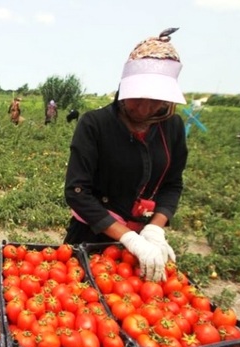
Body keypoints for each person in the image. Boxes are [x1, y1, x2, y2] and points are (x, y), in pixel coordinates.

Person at [63, 28, 188, 282]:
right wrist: (128, 237)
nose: (144, 109)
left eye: (156, 101)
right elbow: (77, 191)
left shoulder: (172, 128)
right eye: (137, 98)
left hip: (142, 246)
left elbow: (172, 184)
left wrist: (154, 228)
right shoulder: (94, 125)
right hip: (91, 234)